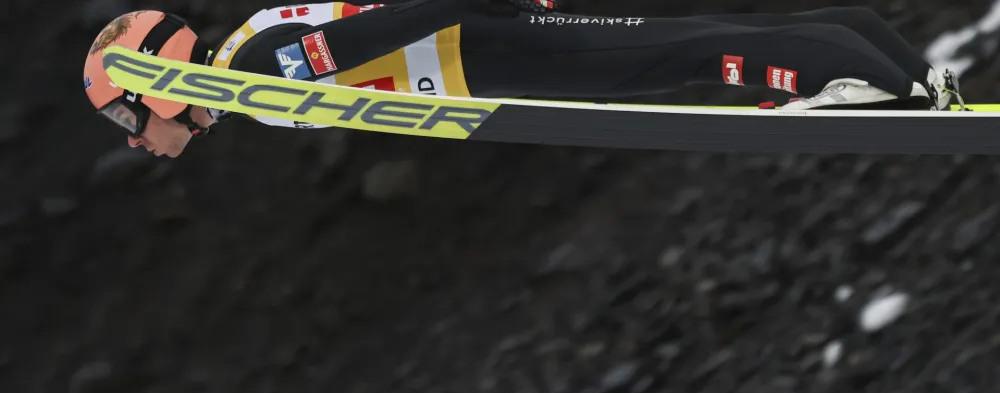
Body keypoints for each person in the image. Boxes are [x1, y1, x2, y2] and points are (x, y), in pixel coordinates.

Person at [83, 1, 961, 158]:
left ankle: (873, 87)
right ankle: (902, 69)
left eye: (130, 121)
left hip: (483, 56)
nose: (141, 143)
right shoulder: (249, 47)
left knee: (692, 53)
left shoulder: (247, 71)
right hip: (481, 43)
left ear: (151, 82)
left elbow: (372, 35)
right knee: (702, 39)